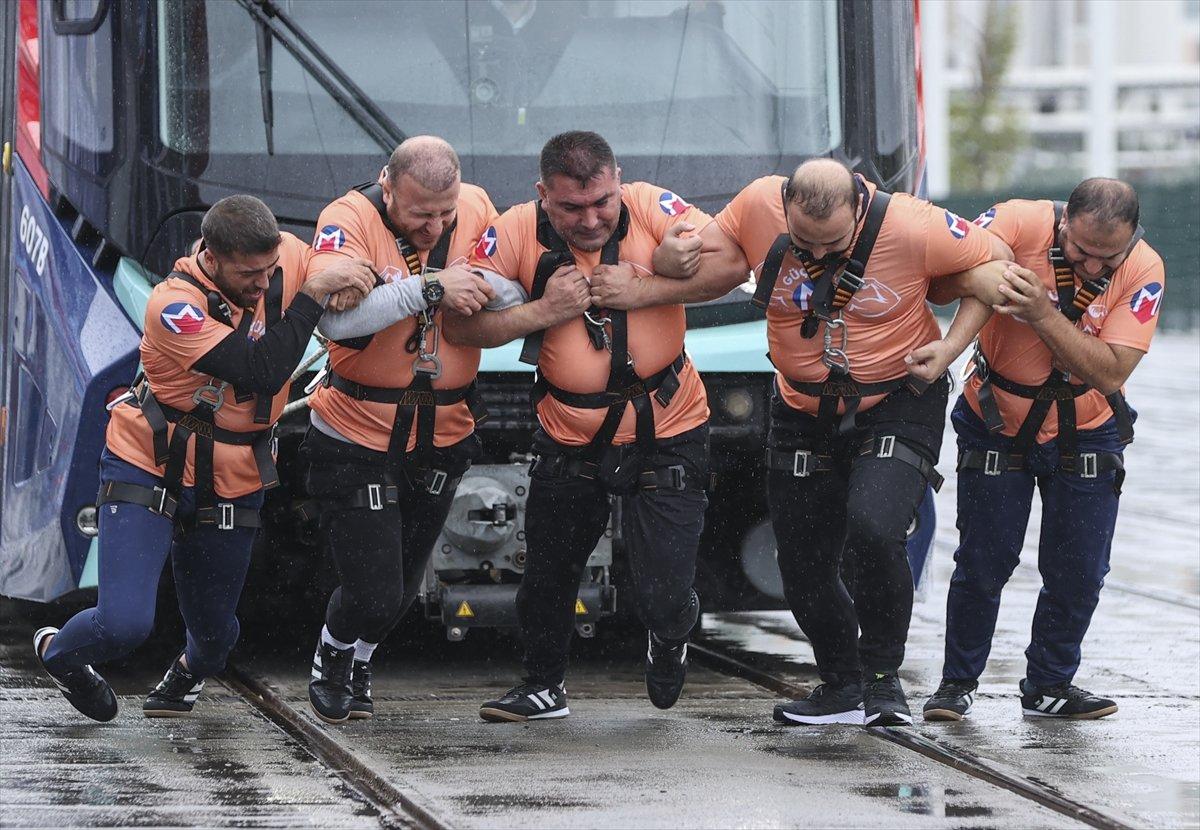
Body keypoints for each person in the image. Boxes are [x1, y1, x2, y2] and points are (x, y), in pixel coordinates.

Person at [657, 158, 1010, 726]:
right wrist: (667, 257)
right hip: (800, 406)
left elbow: (998, 261)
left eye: (832, 244)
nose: (816, 257)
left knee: (872, 528)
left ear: (861, 208)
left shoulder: (916, 225)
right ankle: (840, 684)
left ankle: (882, 679)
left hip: (898, 398)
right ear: (786, 207)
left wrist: (950, 348)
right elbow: (705, 254)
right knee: (800, 560)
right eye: (803, 242)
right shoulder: (756, 203)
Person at [33, 196, 374, 721]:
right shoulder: (173, 304)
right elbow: (258, 369)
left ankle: (188, 670)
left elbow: (335, 275)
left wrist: (352, 278)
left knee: (216, 639)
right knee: (124, 625)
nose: (262, 285)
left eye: (269, 272)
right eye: (248, 275)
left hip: (234, 473)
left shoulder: (288, 255)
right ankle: (62, 656)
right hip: (147, 459)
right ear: (211, 259)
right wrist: (312, 296)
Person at [442, 131, 719, 722]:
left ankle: (670, 634)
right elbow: (460, 328)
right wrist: (544, 312)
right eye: (571, 207)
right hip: (569, 434)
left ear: (619, 181)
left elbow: (732, 270)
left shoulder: (652, 205)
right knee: (547, 574)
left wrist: (646, 288)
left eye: (603, 203)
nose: (591, 220)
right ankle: (543, 686)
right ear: (543, 195)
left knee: (664, 592)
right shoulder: (513, 231)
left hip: (668, 426)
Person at [923, 179, 1163, 722]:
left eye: (1109, 256)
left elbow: (1109, 370)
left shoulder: (1144, 268)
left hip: (1089, 424)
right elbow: (937, 279)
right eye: (1081, 252)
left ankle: (1050, 684)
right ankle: (956, 684)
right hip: (995, 418)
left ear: (1131, 239)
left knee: (1080, 569)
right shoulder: (1014, 220)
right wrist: (984, 277)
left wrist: (1040, 311)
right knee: (983, 560)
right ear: (1061, 224)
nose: (1095, 268)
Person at [300, 136, 499, 724]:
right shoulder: (348, 218)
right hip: (355, 433)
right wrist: (428, 288)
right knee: (374, 588)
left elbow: (506, 282)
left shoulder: (479, 206)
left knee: (407, 583)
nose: (435, 227)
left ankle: (362, 656)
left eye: (446, 214)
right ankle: (332, 656)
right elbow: (336, 316)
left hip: (443, 432)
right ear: (387, 185)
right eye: (419, 215)